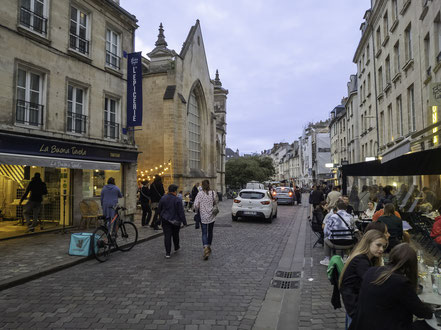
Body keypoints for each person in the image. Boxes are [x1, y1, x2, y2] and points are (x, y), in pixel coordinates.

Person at [349, 243, 433, 330]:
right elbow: (422, 312)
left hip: (362, 324)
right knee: (428, 326)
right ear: (410, 265)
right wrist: (431, 309)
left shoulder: (371, 271)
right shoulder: (400, 282)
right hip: (384, 325)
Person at [339, 230, 387, 323]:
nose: (381, 249)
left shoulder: (367, 258)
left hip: (354, 302)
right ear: (368, 243)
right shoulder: (361, 261)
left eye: (383, 246)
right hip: (355, 306)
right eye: (378, 245)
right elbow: (373, 283)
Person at [320, 201, 356, 266]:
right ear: (346, 209)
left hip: (335, 243)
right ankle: (345, 257)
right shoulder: (350, 217)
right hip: (349, 243)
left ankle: (327, 259)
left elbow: (325, 231)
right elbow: (353, 229)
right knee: (347, 237)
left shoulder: (332, 217)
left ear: (337, 208)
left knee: (325, 240)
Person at [158, 184, 187, 258]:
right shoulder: (177, 199)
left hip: (165, 219)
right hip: (175, 220)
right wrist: (184, 222)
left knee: (167, 236)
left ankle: (168, 253)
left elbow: (159, 209)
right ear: (174, 191)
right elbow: (181, 212)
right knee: (175, 235)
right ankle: (176, 247)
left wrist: (159, 218)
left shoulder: (163, 198)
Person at [193, 179, 218, 260]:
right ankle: (209, 246)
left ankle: (206, 247)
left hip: (203, 216)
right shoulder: (213, 193)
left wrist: (197, 211)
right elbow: (215, 202)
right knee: (210, 232)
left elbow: (196, 205)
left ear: (202, 185)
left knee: (204, 232)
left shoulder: (200, 194)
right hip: (211, 215)